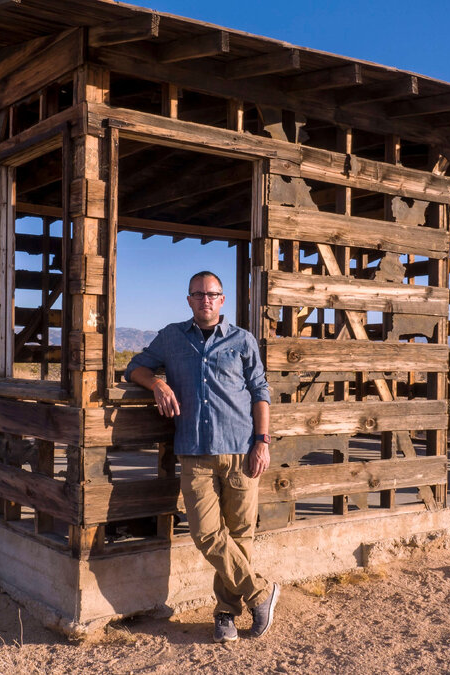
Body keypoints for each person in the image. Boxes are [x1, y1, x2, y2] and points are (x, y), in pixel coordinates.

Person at [125, 271, 280, 643]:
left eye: (212, 294)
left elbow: (260, 390)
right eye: (198, 294)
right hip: (194, 452)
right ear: (189, 300)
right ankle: (260, 593)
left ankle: (225, 613)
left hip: (241, 450)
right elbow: (135, 367)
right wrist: (158, 383)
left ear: (222, 300)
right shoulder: (172, 337)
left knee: (241, 534)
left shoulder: (243, 340)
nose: (205, 300)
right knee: (207, 533)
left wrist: (263, 441)